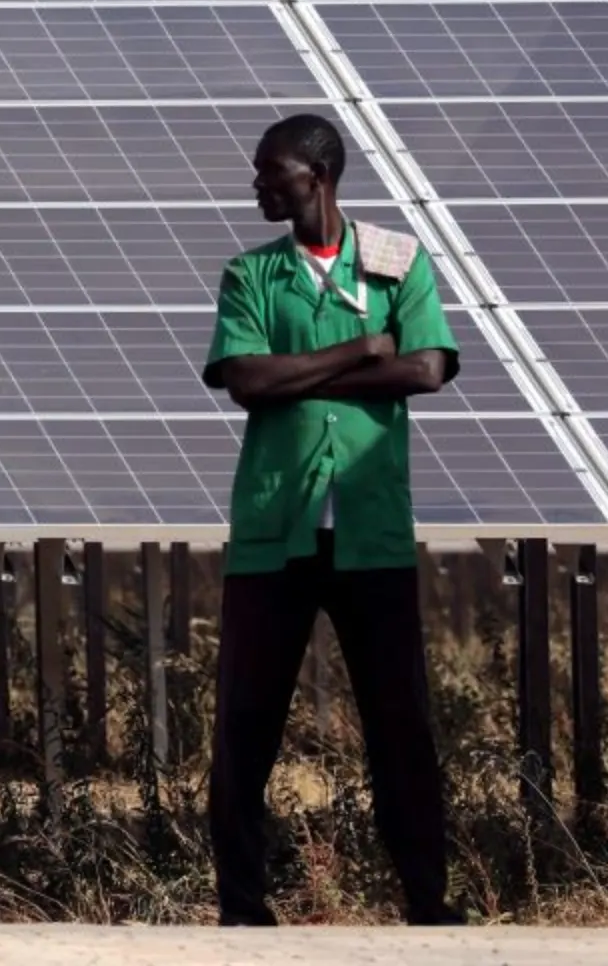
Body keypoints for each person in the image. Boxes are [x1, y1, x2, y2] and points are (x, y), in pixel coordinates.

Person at [199, 112, 465, 927]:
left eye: (269, 172)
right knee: (247, 724)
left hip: (368, 528)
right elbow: (244, 379)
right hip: (275, 530)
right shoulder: (251, 276)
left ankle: (428, 900)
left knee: (400, 723)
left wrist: (299, 378)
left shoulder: (398, 263)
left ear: (316, 176)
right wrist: (358, 354)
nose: (256, 185)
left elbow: (425, 368)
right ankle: (243, 907)